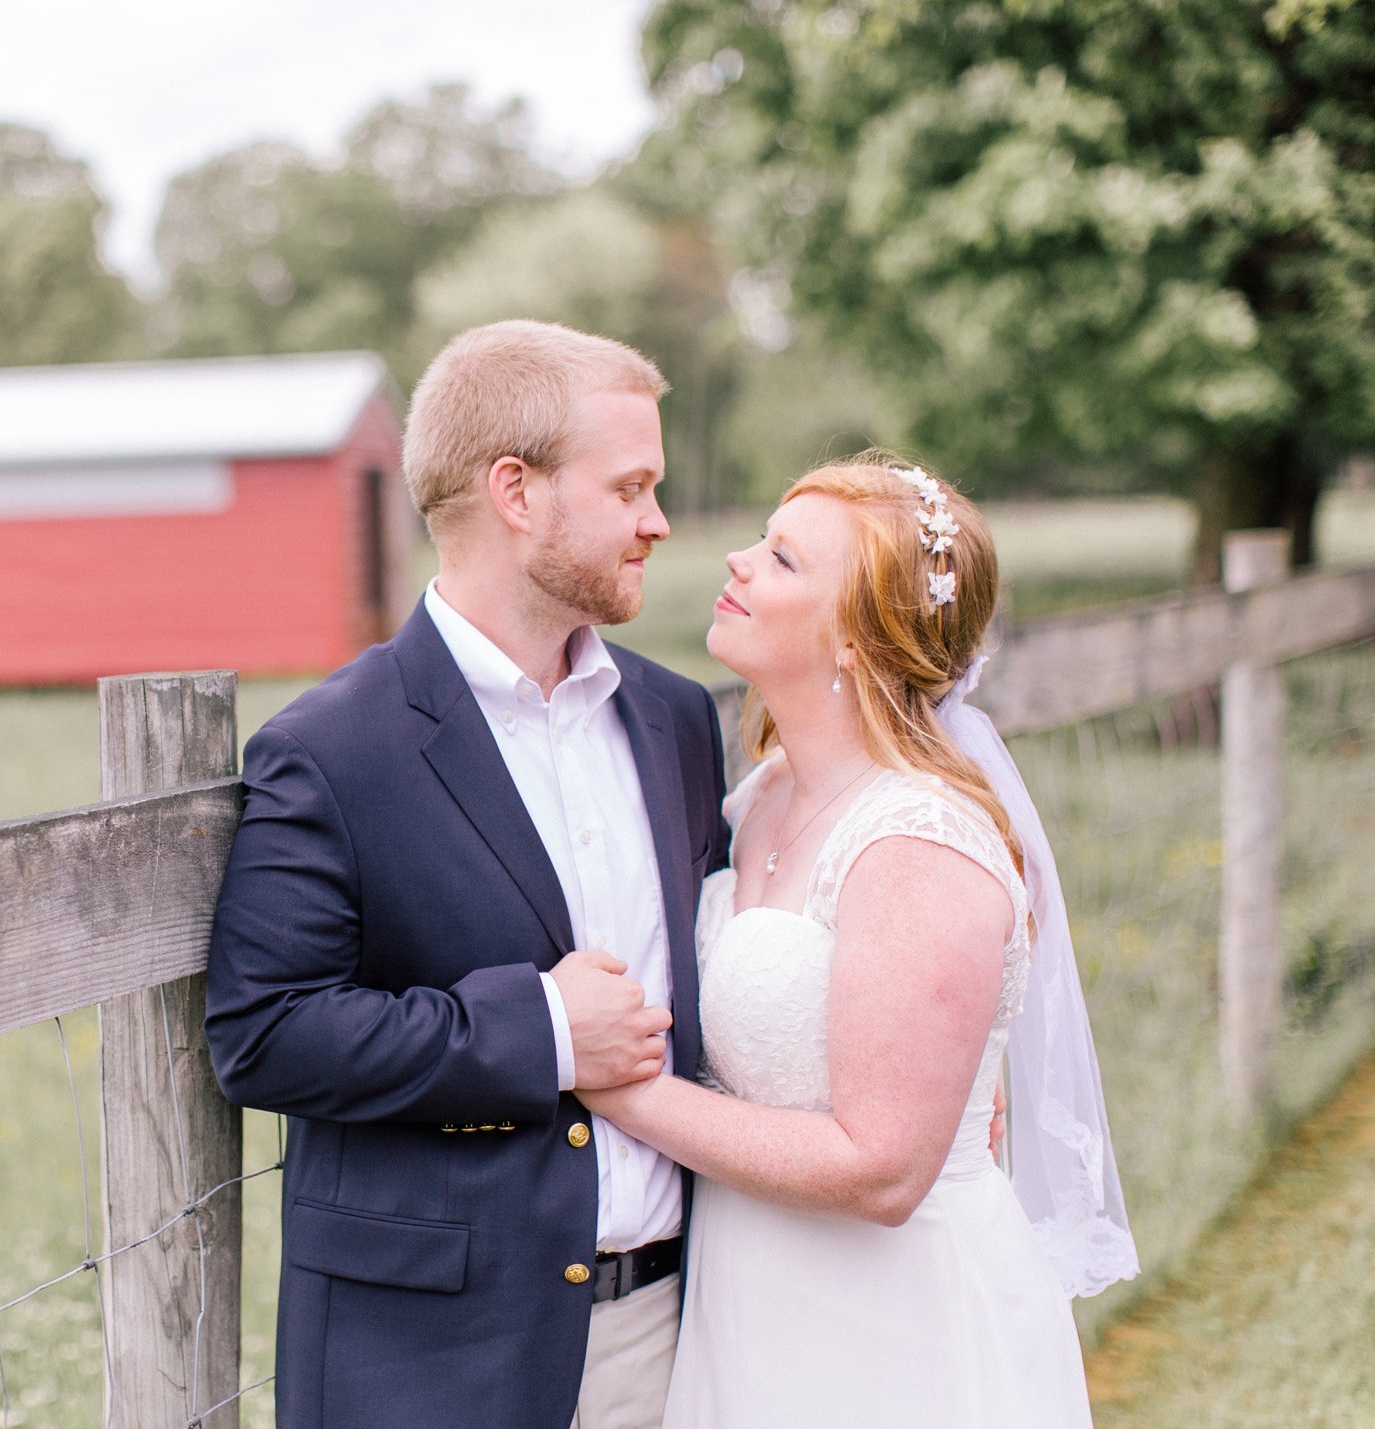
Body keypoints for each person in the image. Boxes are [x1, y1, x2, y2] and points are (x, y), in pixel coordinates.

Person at [205, 320, 728, 1429]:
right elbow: (264, 1031)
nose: (657, 521)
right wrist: (538, 1030)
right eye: (629, 486)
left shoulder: (675, 719)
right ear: (515, 491)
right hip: (434, 1359)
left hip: (677, 1330)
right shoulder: (332, 748)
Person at [575, 454, 1138, 1429]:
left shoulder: (918, 840)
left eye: (782, 559)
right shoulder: (758, 801)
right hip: (745, 1303)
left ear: (853, 638)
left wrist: (617, 1088)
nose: (737, 560)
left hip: (891, 1327)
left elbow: (880, 1168)